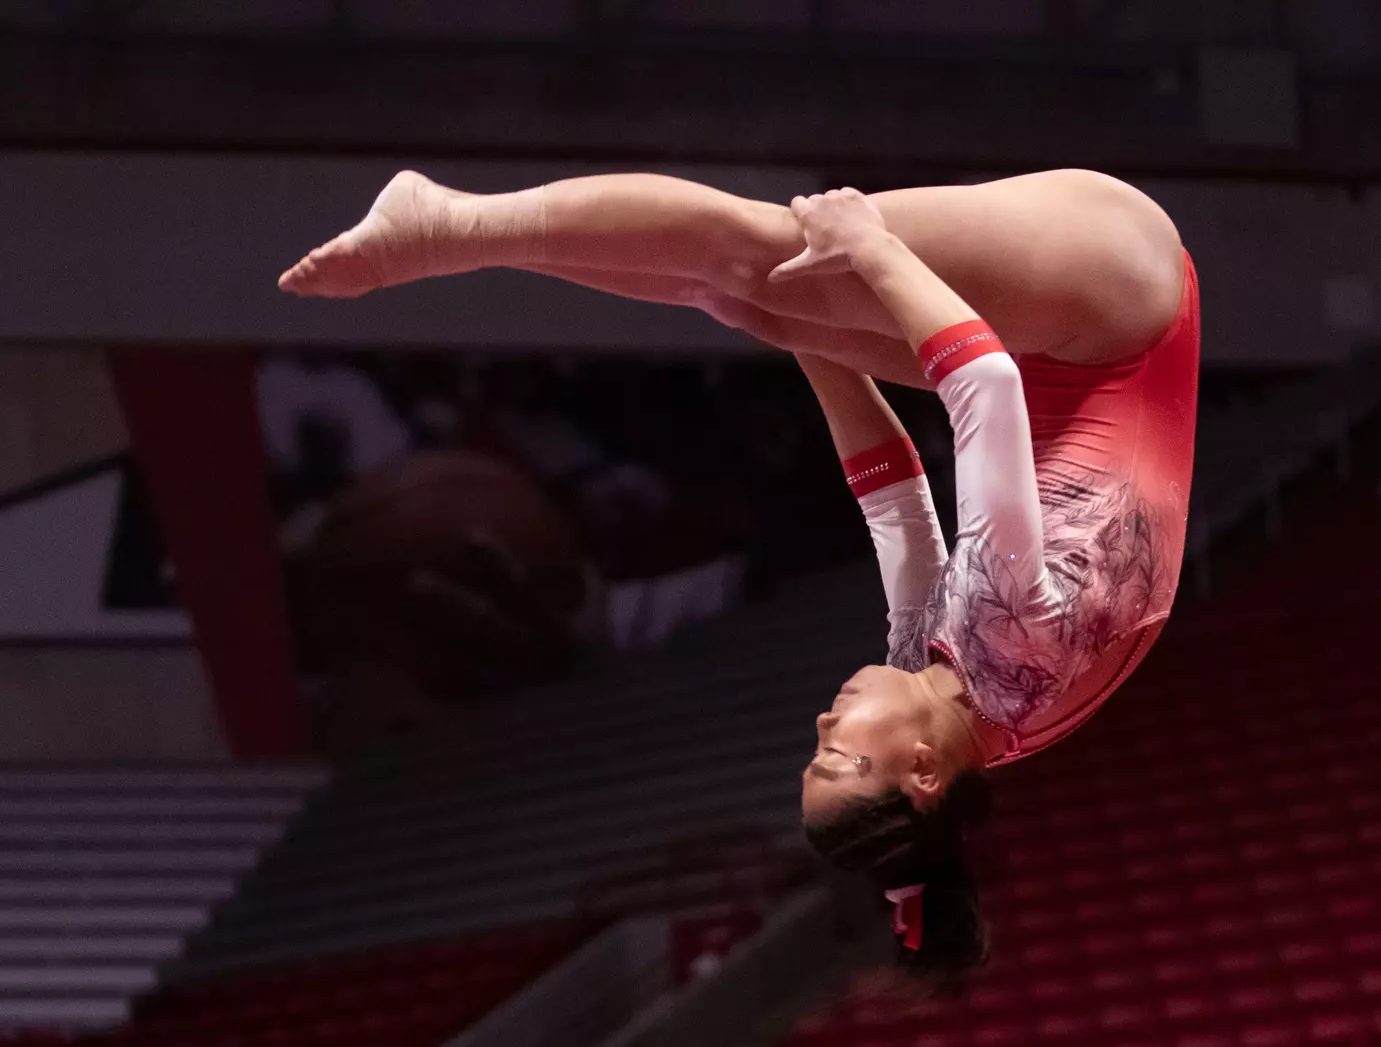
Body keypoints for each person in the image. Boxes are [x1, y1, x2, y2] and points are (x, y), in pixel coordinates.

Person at [279, 169, 1200, 988]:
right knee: (762, 258)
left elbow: (895, 499)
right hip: (1117, 298)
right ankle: (446, 225)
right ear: (921, 770)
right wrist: (871, 256)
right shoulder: (1012, 655)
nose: (824, 723)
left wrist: (812, 346)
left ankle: (468, 236)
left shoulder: (955, 692)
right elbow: (983, 393)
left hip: (1070, 355)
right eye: (839, 756)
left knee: (754, 299)